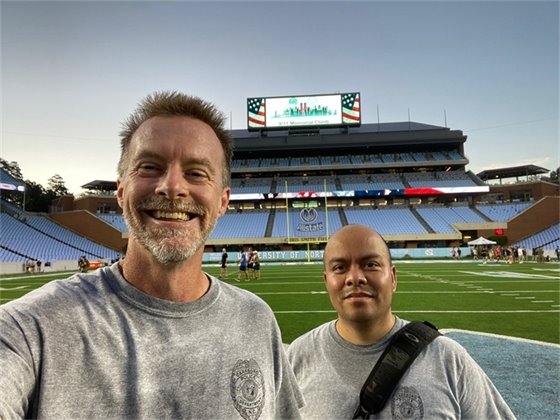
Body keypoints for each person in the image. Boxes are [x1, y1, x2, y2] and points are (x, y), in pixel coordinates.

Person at [0, 91, 303, 419]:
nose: (172, 187)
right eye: (149, 167)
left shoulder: (256, 320)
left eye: (196, 173)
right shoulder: (32, 328)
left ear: (223, 201)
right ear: (120, 190)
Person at [287, 224, 515, 419]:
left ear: (393, 278)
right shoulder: (298, 357)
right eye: (340, 267)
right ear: (327, 282)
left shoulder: (447, 358)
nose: (355, 277)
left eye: (370, 264)